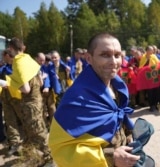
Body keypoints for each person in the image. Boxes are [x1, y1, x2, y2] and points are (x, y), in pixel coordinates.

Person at [49, 33, 140, 167]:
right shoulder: (77, 98)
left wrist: (127, 136)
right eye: (105, 55)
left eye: (117, 55)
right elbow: (62, 148)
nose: (113, 61)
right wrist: (111, 156)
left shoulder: (118, 87)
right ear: (89, 58)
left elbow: (118, 121)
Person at [5, 38, 53, 166]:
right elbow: (41, 82)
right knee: (30, 132)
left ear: (11, 48)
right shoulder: (29, 59)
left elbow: (25, 89)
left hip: (29, 105)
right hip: (37, 101)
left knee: (38, 132)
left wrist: (9, 84)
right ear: (23, 47)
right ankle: (30, 155)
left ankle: (50, 159)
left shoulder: (18, 63)